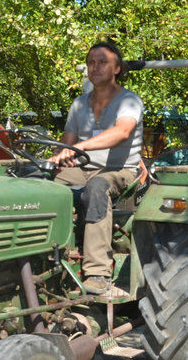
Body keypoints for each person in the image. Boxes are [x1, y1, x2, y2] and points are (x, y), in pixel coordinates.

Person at [52, 41, 144, 296]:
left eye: (102, 62)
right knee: (43, 185)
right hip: (82, 168)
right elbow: (66, 143)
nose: (95, 67)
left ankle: (98, 272)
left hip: (119, 170)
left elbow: (122, 132)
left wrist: (81, 147)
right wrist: (59, 158)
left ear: (116, 68)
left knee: (96, 187)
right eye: (91, 62)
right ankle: (48, 256)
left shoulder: (129, 100)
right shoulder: (79, 104)